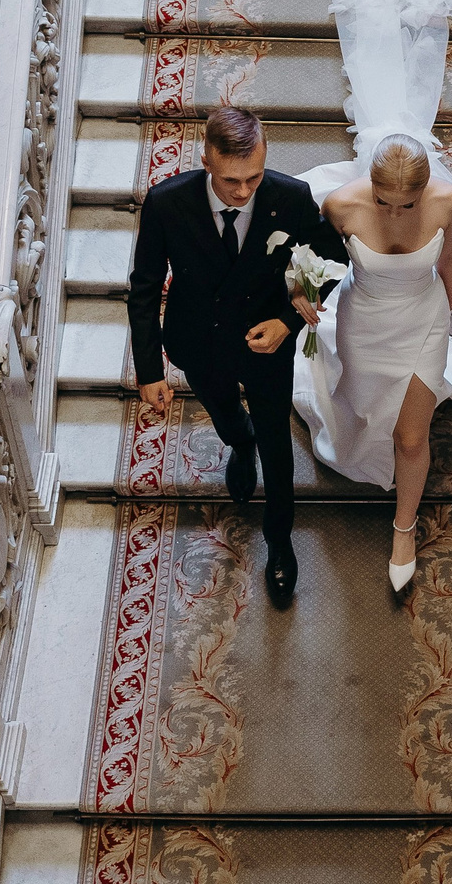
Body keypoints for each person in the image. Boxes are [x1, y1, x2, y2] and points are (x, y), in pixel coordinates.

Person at [287, 0, 452, 592]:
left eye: (408, 205)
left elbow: (451, 260)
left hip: (423, 322)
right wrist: (301, 288)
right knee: (354, 401)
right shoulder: (344, 204)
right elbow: (308, 252)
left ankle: (403, 526)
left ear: (425, 189)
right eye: (386, 202)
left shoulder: (448, 201)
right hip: (363, 318)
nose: (397, 215)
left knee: (411, 436)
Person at [127, 105, 345, 608]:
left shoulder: (289, 197)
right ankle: (237, 444)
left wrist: (290, 318)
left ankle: (279, 540)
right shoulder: (166, 203)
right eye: (231, 180)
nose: (244, 191)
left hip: (263, 344)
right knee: (226, 415)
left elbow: (331, 256)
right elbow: (143, 289)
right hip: (196, 342)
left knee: (278, 443)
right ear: (205, 158)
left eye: (254, 177)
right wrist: (149, 368)